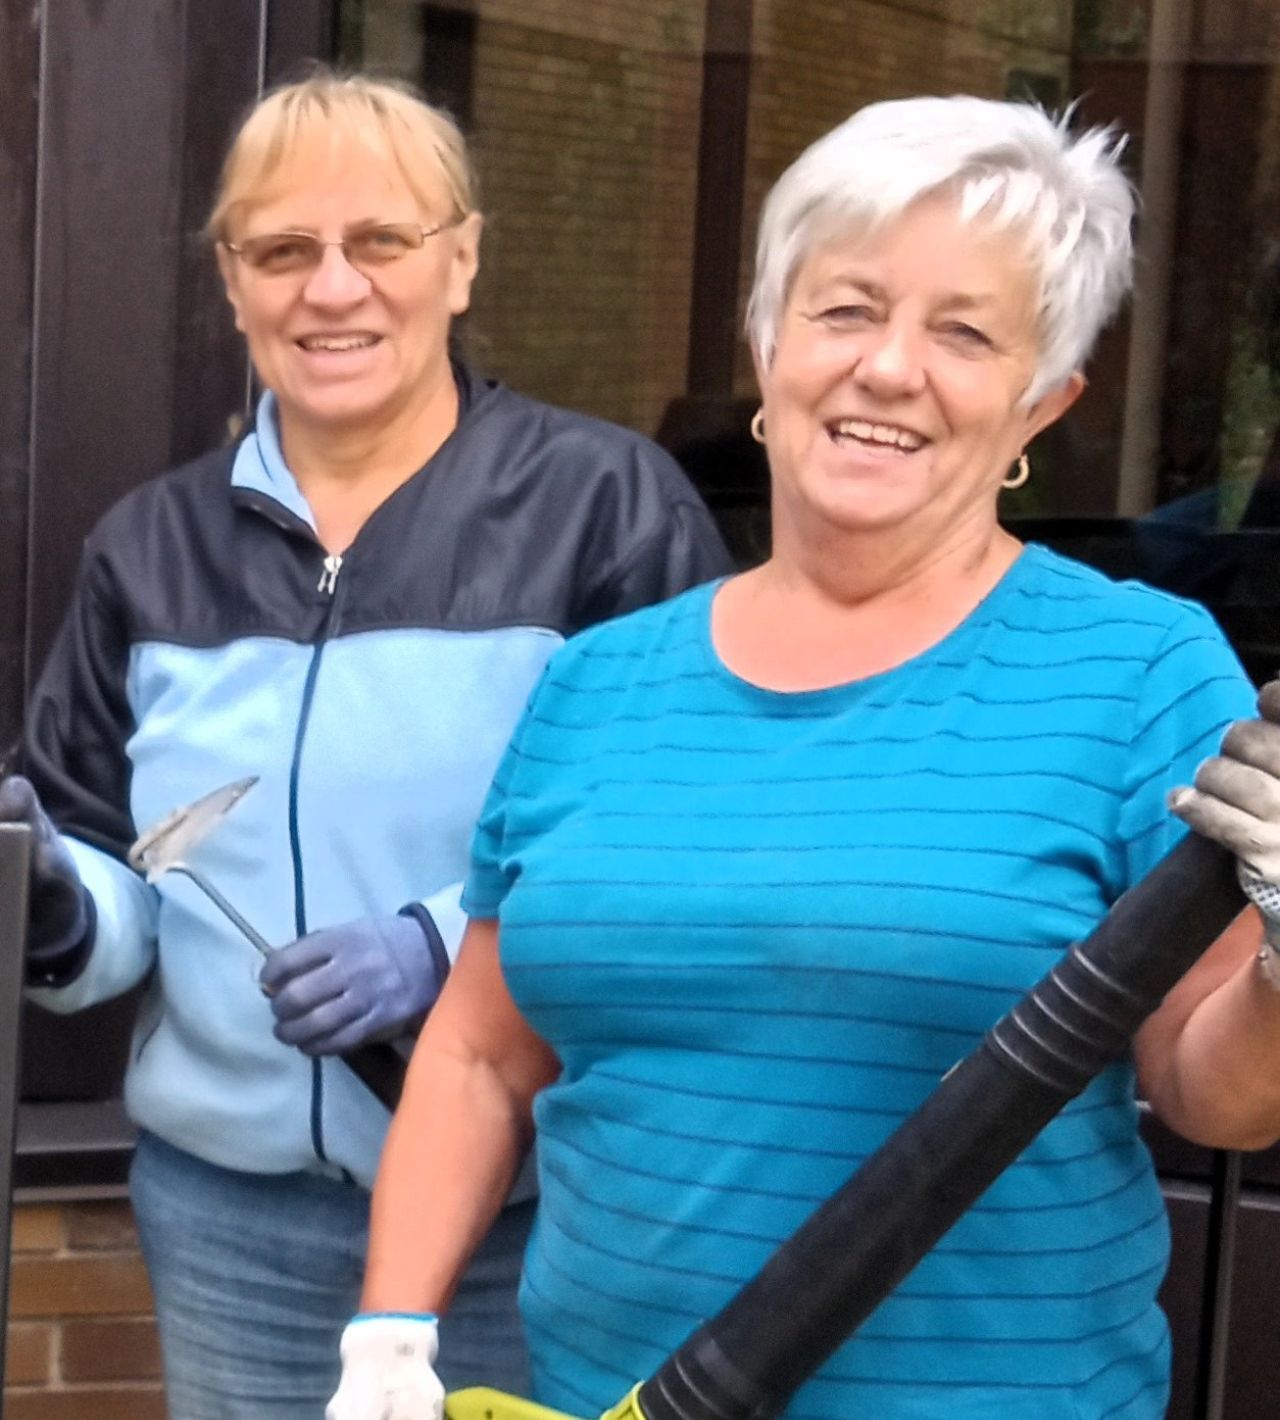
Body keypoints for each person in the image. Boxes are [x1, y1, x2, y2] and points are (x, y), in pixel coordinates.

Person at [328, 95, 1280, 1420]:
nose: (889, 369)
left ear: (1040, 405)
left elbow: (1220, 1096)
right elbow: (483, 1054)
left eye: (965, 333)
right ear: (769, 348)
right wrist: (390, 1328)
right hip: (608, 1402)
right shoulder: (599, 684)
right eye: (846, 309)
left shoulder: (1135, 672)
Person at [0, 71, 730, 1420]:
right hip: (232, 1228)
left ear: (460, 261)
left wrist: (444, 947)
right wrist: (50, 901)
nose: (331, 290)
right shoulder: (147, 548)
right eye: (282, 251)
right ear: (233, 286)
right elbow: (116, 884)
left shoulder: (606, 509)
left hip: (530, 1218)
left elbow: (675, 838)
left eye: (380, 242)